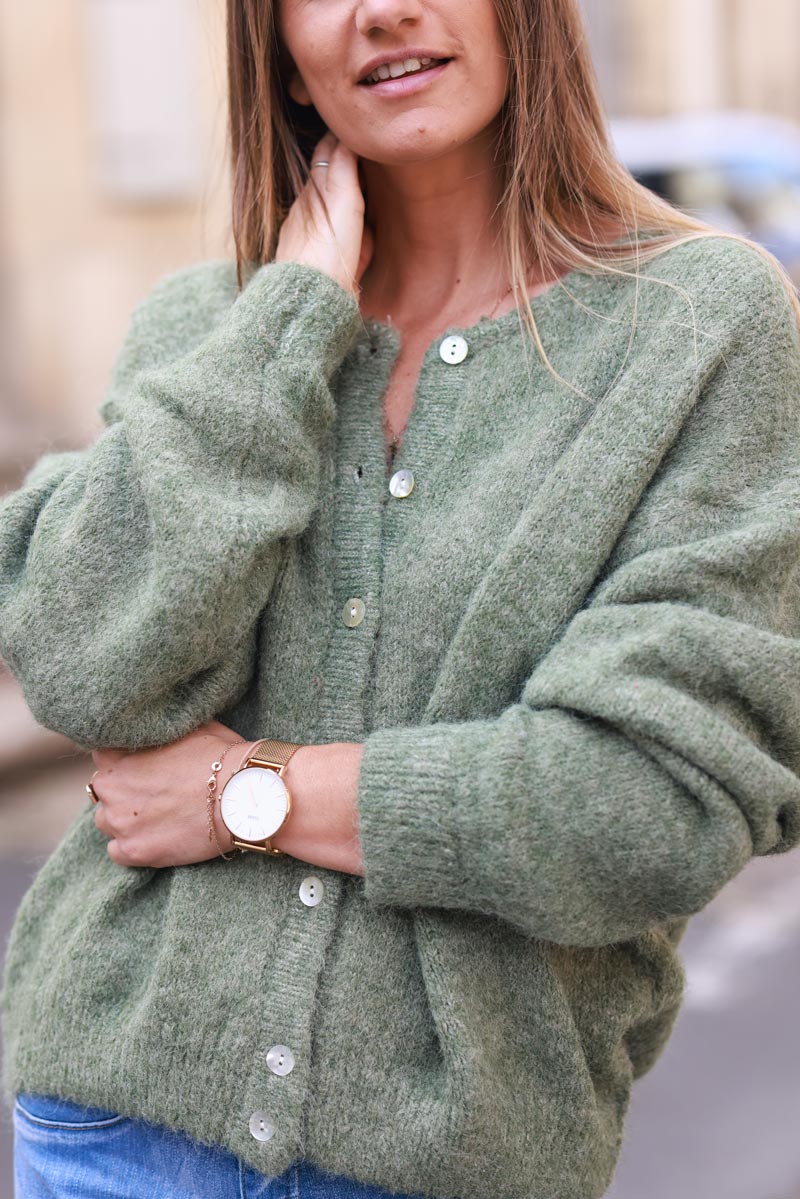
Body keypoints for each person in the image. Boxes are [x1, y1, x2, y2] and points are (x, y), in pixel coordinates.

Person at [2, 0, 800, 1194]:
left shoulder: (699, 324)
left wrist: (243, 793)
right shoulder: (209, 321)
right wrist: (286, 320)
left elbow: (647, 799)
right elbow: (85, 660)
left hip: (451, 1160)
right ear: (276, 42)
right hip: (112, 1136)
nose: (380, 12)